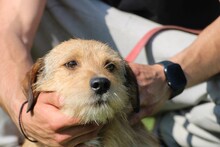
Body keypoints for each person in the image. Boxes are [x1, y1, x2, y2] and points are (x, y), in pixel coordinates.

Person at [0, 0, 219, 146]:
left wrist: (170, 74)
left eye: (110, 67)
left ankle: (174, 132)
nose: (100, 79)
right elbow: (8, 27)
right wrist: (21, 110)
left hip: (199, 42)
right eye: (71, 65)